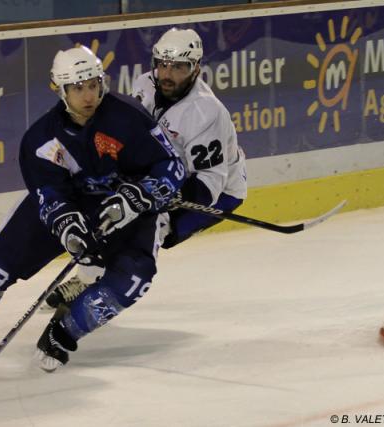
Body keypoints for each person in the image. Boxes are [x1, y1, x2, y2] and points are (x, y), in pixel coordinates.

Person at [0, 45, 185, 372]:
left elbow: (171, 166)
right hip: (71, 206)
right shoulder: (41, 140)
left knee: (134, 278)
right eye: (77, 88)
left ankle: (65, 330)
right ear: (60, 90)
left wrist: (140, 195)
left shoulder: (128, 117)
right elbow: (48, 193)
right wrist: (69, 229)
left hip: (125, 212)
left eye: (93, 84)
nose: (88, 95)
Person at [45, 27, 247, 308]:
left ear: (196, 68)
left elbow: (208, 184)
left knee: (151, 228)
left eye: (178, 67)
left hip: (215, 192)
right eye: (162, 64)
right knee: (103, 206)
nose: (167, 74)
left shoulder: (207, 113)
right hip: (159, 174)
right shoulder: (144, 85)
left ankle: (95, 289)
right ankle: (89, 277)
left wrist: (161, 197)